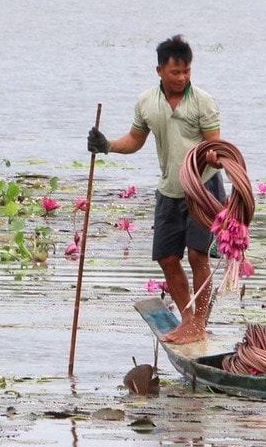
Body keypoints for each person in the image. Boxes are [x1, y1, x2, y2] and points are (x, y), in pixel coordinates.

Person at [87, 34, 225, 345]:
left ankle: (199, 324)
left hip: (203, 188)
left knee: (197, 255)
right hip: (169, 188)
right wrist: (106, 145)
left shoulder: (204, 101)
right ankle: (186, 320)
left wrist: (214, 155)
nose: (182, 78)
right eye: (176, 72)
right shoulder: (147, 102)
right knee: (166, 257)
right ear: (159, 71)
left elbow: (214, 143)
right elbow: (135, 140)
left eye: (187, 71)